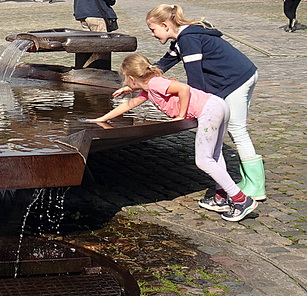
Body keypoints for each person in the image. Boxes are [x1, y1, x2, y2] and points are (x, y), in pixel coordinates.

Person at [91, 54, 257, 221]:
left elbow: (183, 89)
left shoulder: (155, 84)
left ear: (132, 78)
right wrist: (102, 119)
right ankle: (221, 197)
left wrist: (181, 115)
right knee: (215, 154)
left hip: (209, 110)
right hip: (217, 104)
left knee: (204, 160)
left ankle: (241, 200)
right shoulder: (149, 88)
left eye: (125, 79)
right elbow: (128, 105)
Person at [147, 4, 265, 201]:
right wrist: (142, 76)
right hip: (244, 74)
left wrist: (198, 109)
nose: (152, 34)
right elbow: (163, 64)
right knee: (236, 130)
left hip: (236, 80)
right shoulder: (181, 40)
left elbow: (196, 81)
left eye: (153, 29)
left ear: (166, 25)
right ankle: (248, 181)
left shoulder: (189, 40)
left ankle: (256, 186)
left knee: (237, 130)